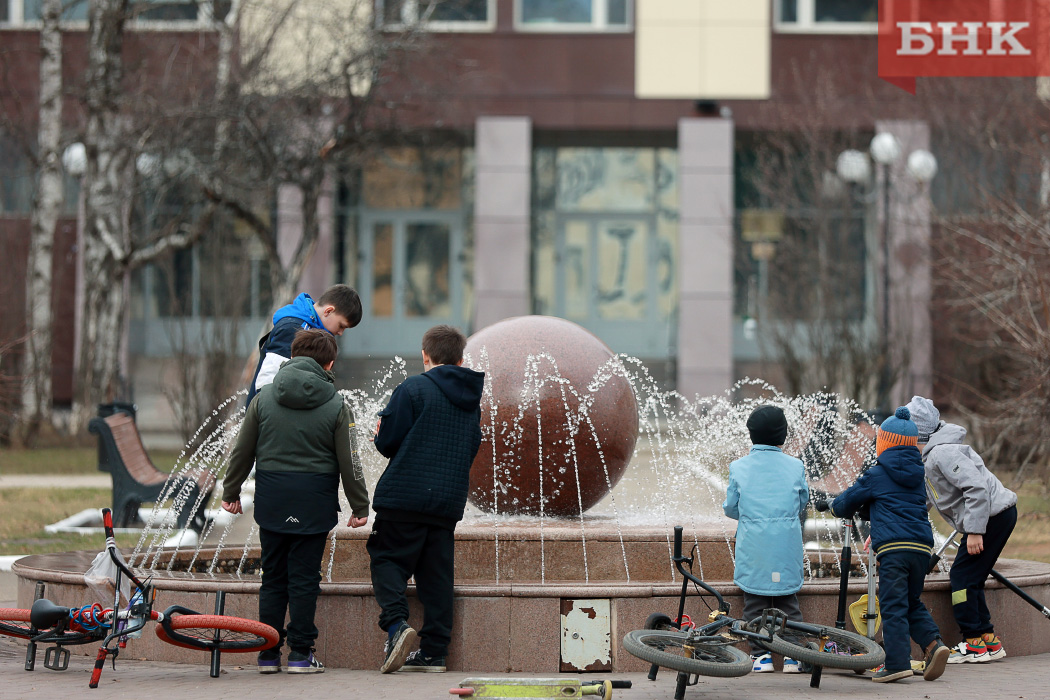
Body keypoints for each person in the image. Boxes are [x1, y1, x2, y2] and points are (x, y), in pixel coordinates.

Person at [222, 329, 370, 674]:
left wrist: (231, 492)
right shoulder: (336, 403)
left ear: (292, 355)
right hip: (314, 500)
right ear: (329, 362)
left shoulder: (263, 398)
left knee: (273, 577)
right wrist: (359, 507)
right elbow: (350, 459)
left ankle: (268, 654)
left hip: (273, 496)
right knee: (304, 579)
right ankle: (301, 655)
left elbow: (242, 452)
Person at [367, 325, 485, 674]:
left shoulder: (413, 388)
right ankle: (434, 652)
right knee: (436, 577)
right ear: (461, 359)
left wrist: (379, 432)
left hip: (404, 497)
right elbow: (472, 446)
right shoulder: (472, 401)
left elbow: (388, 443)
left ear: (424, 355)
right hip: (445, 504)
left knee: (386, 559)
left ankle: (396, 625)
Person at [822, 407, 950, 683]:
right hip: (920, 548)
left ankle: (896, 663)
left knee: (892, 605)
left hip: (893, 549)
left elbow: (848, 501)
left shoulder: (877, 474)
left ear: (883, 443)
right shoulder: (918, 475)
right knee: (910, 601)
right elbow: (893, 503)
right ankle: (933, 645)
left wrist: (833, 506)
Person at [906, 395, 1018, 664]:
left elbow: (977, 488)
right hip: (991, 516)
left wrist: (976, 531)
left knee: (961, 579)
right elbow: (929, 497)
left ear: (916, 434)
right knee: (972, 578)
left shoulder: (943, 453)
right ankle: (988, 640)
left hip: (990, 517)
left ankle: (973, 643)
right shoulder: (932, 454)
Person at [722, 405, 810, 673]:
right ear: (782, 435)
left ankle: (761, 656)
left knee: (755, 602)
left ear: (752, 435)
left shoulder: (738, 467)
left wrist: (750, 515)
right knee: (788, 601)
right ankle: (793, 654)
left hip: (755, 545)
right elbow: (802, 502)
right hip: (786, 545)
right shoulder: (796, 466)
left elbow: (730, 507)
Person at [247, 284, 362, 404]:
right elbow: (267, 382)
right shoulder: (292, 330)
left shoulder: (309, 330)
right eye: (341, 326)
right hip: (271, 418)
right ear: (328, 311)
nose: (341, 333)